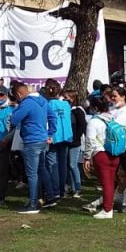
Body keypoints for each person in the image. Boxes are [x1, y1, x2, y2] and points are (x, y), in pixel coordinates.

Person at [10, 84, 58, 214]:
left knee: (31, 173)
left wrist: (15, 108)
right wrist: (50, 132)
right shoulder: (43, 101)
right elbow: (53, 117)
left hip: (31, 140)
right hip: (42, 139)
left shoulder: (26, 103)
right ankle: (50, 197)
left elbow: (14, 120)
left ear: (19, 94)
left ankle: (33, 203)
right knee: (42, 169)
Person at [43, 80, 73, 208]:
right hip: (66, 136)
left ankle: (55, 191)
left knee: (52, 165)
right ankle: (62, 190)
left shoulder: (48, 104)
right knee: (62, 165)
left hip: (54, 136)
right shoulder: (66, 104)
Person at [65, 90, 86, 199]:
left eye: (67, 98)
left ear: (72, 99)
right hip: (68, 141)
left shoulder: (78, 111)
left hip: (75, 142)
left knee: (73, 165)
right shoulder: (68, 110)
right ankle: (72, 188)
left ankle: (78, 188)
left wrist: (75, 137)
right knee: (69, 165)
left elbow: (82, 126)